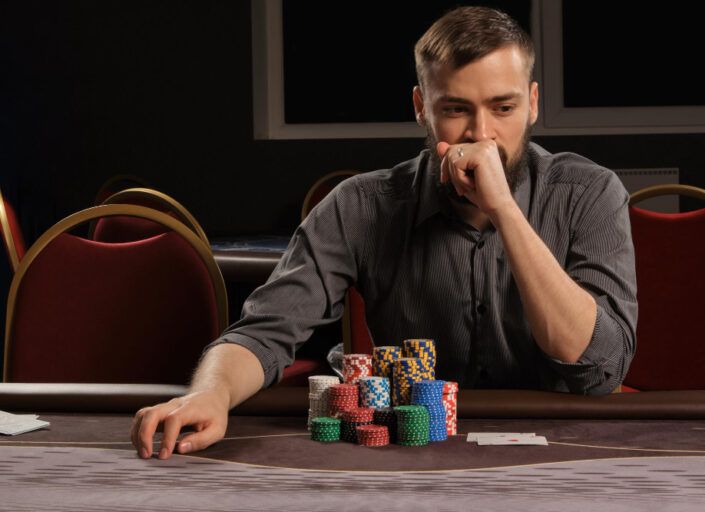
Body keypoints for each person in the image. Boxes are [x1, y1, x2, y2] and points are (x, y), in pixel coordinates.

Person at [131, 6, 637, 460]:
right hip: (412, 451)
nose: (481, 134)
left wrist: (504, 209)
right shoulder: (361, 205)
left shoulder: (590, 193)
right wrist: (210, 394)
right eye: (456, 109)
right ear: (421, 106)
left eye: (502, 109)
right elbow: (264, 332)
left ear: (532, 104)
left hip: (565, 449)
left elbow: (597, 366)